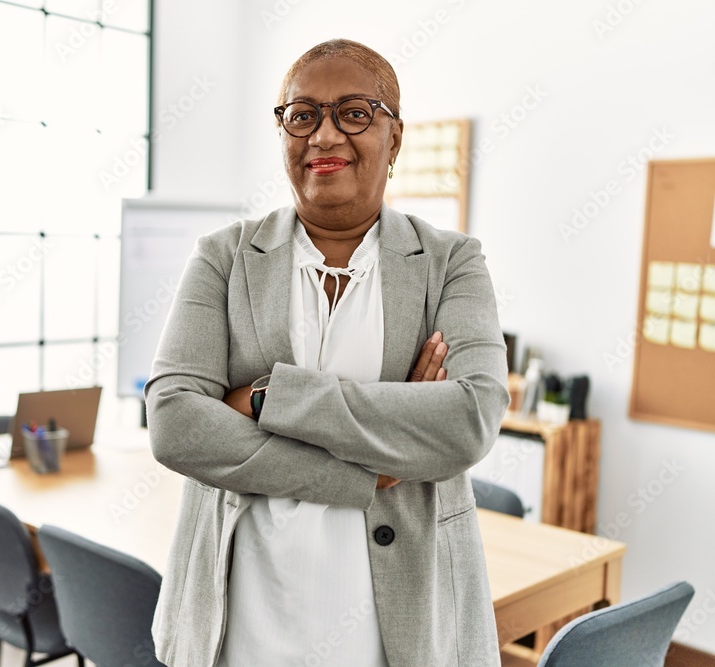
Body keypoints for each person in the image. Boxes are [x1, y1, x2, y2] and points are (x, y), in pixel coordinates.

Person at [145, 38, 509, 666]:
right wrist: (369, 470)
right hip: (241, 620)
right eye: (302, 114)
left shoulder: (452, 263)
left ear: (394, 139)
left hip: (394, 625)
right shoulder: (223, 257)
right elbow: (175, 422)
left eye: (355, 113)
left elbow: (469, 419)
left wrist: (265, 397)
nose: (324, 135)